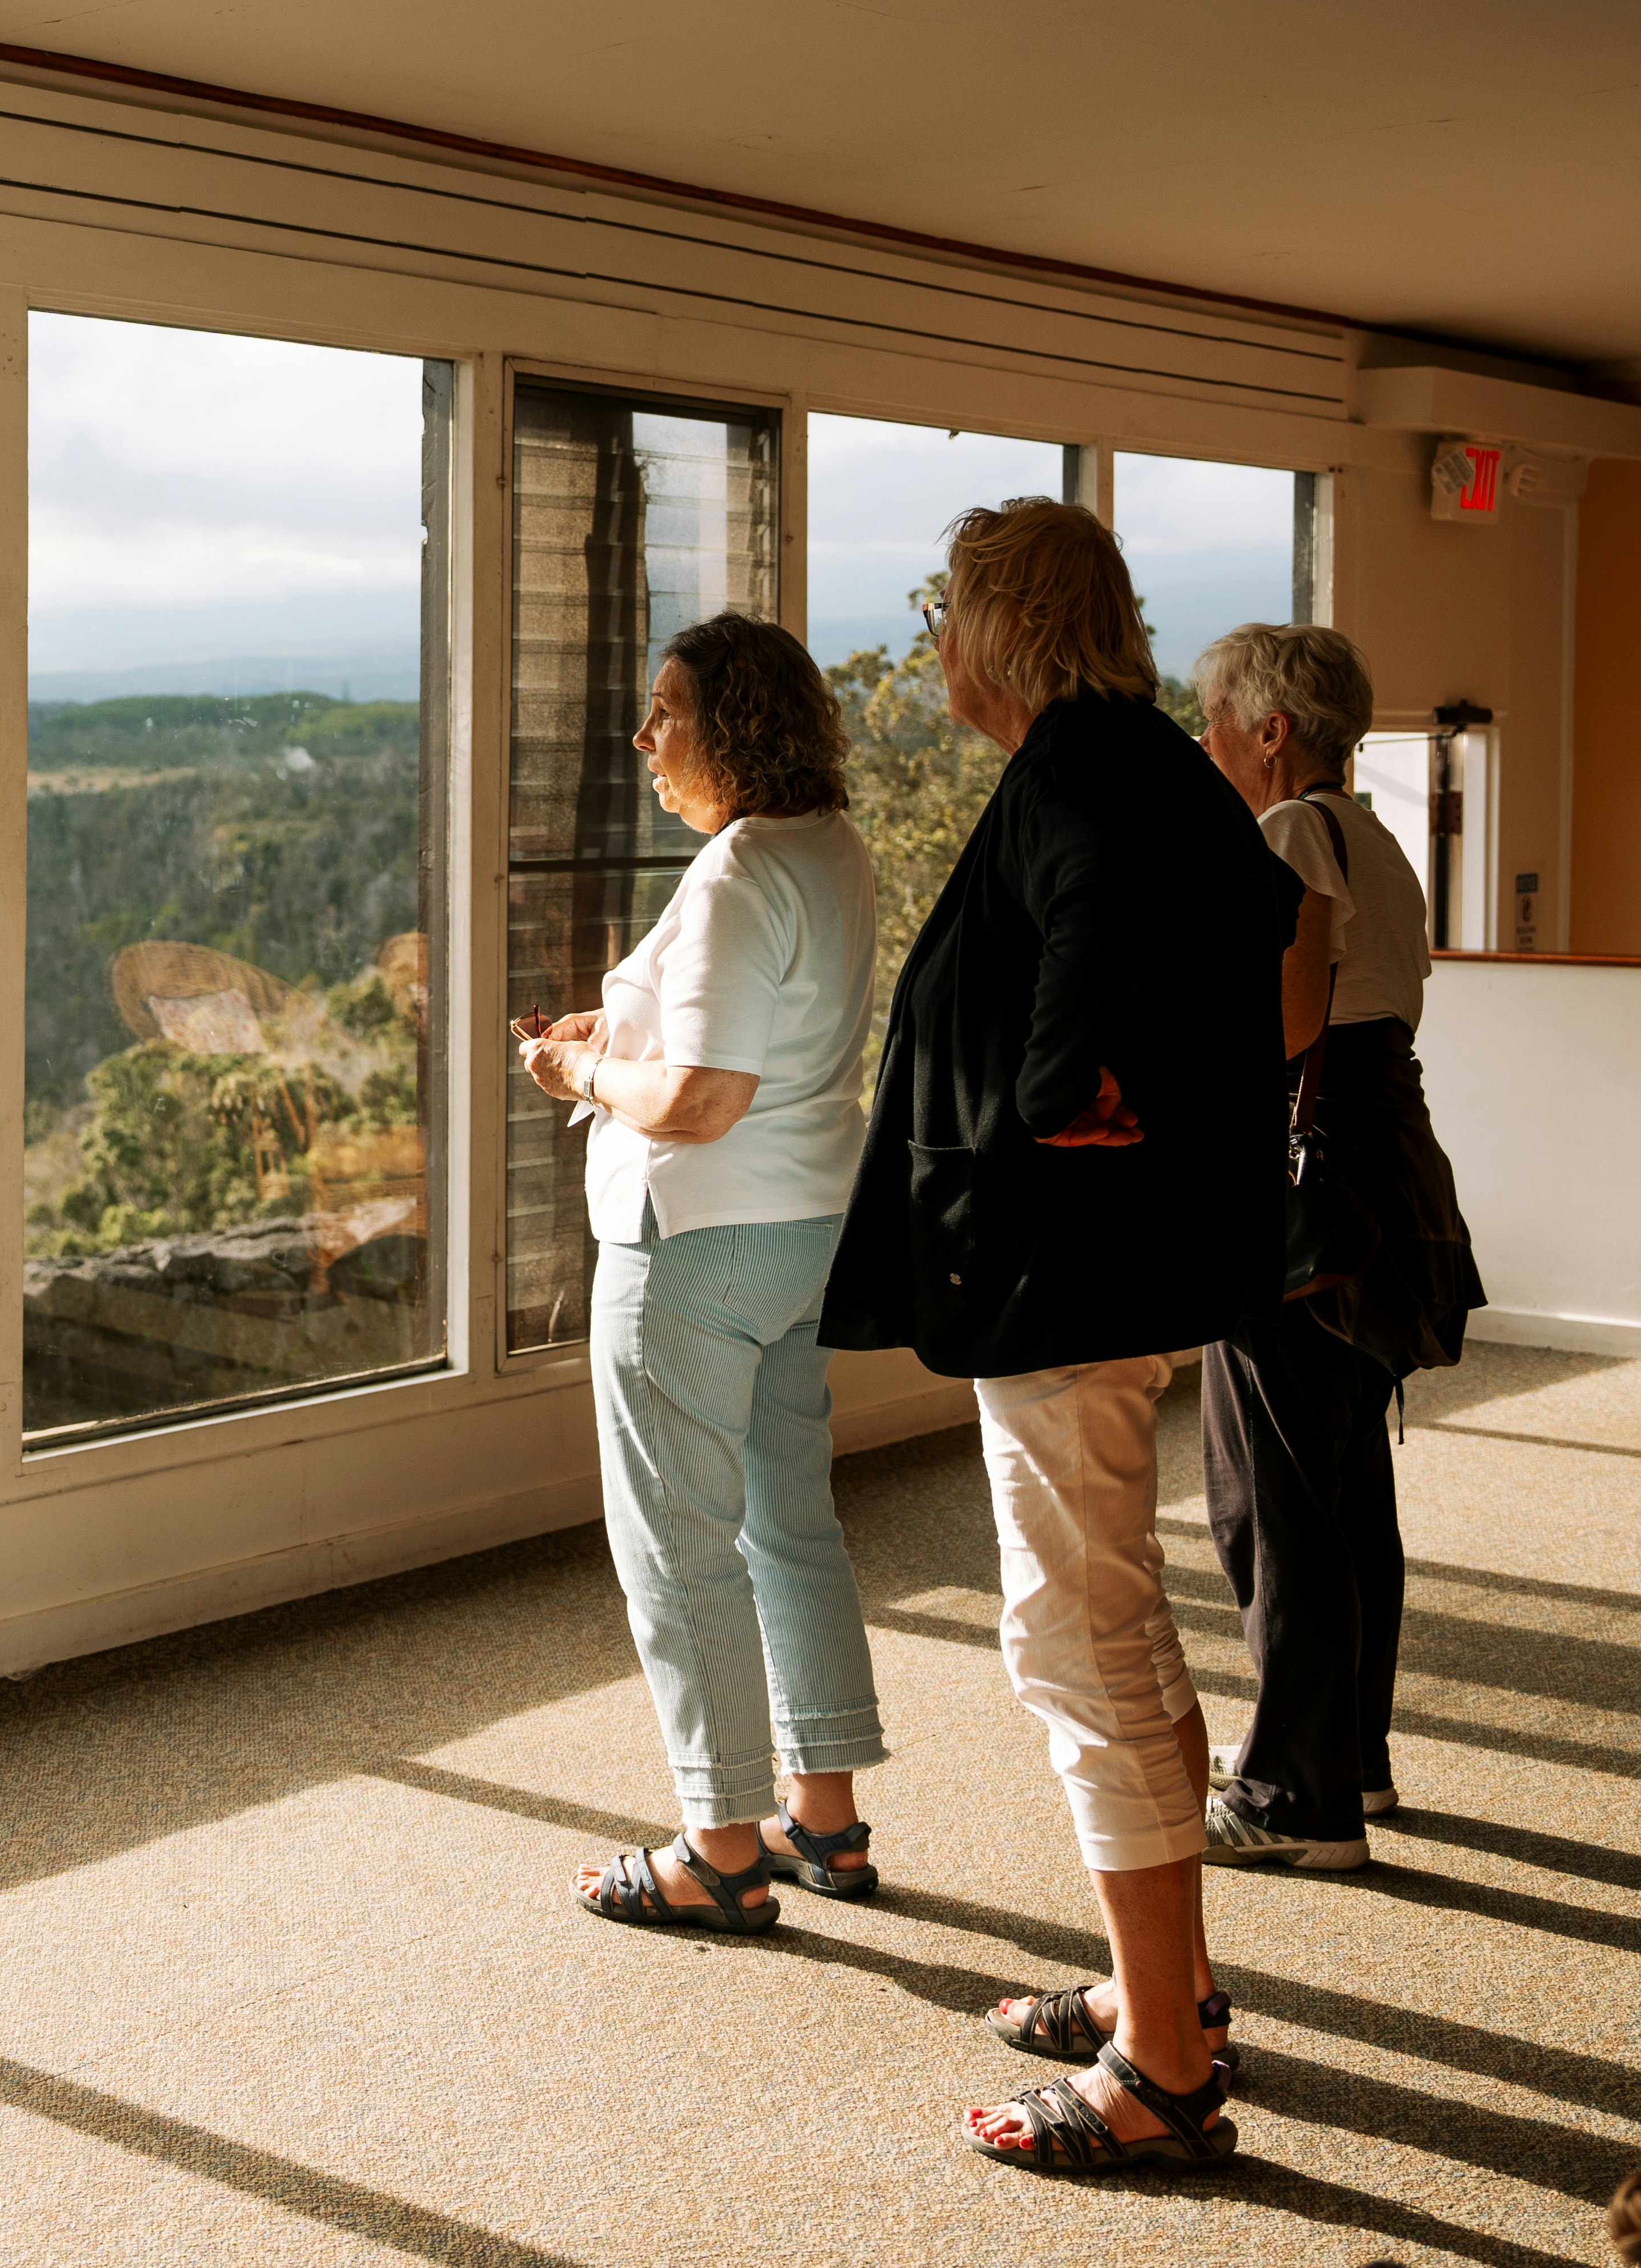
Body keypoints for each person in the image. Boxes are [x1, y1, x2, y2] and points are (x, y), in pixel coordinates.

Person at [816, 497, 1297, 2176]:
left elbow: (1098, 927)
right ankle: (1163, 1991)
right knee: (1120, 1623)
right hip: (1107, 1270)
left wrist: (1054, 1087)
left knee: (1076, 1644)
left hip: (1064, 1279)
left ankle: (1161, 2070)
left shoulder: (1083, 781)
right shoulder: (1140, 756)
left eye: (942, 606)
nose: (933, 636)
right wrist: (1129, 1094)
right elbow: (1266, 928)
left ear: (998, 624)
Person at [519, 613, 886, 1936]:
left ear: (731, 726)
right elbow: (764, 1036)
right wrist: (614, 1029)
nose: (642, 737)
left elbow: (701, 1095)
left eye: (663, 710)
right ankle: (824, 1819)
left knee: (676, 1545)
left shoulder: (736, 868)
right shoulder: (828, 849)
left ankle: (718, 1846)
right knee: (790, 1519)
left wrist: (576, 1072)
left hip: (695, 1245)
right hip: (806, 1233)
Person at [1187, 623, 1485, 1871]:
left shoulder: (1291, 834)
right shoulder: (1384, 842)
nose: (1204, 741)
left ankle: (1301, 1798)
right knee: (1345, 1485)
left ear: (1271, 730)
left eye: (1213, 717)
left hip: (1312, 1191)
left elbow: (1287, 1021)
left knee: (1277, 1496)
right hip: (1386, 1172)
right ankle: (1346, 1754)